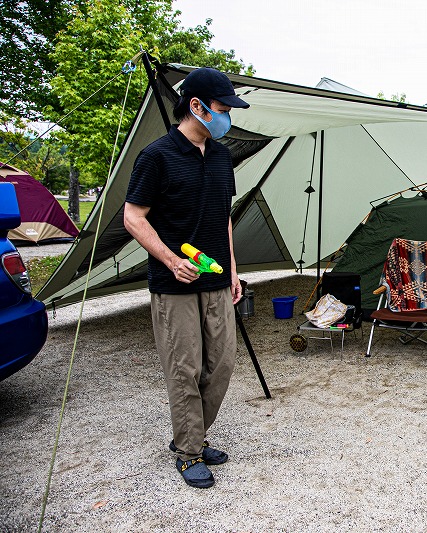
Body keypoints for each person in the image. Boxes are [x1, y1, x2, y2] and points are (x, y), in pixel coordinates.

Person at [123, 67, 249, 488]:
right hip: (173, 283)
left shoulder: (220, 155)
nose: (228, 116)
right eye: (222, 108)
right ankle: (188, 450)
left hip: (215, 278)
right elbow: (133, 218)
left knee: (222, 364)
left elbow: (223, 219)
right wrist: (170, 259)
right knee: (185, 368)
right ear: (195, 106)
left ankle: (195, 433)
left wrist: (232, 270)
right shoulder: (156, 156)